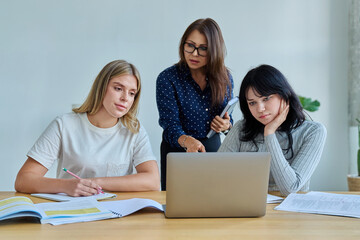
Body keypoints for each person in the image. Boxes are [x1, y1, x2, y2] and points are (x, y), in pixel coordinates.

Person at [15, 60, 160, 196]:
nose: (125, 98)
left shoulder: (134, 131)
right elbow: (24, 180)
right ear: (101, 88)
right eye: (118, 88)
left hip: (116, 214)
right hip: (71, 211)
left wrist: (95, 183)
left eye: (132, 93)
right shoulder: (64, 125)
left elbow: (153, 181)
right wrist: (66, 186)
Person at [218, 64, 327, 196]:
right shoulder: (241, 128)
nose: (260, 109)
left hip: (291, 213)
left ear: (284, 95)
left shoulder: (313, 132)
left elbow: (290, 189)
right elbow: (217, 174)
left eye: (266, 98)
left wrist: (269, 134)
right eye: (252, 103)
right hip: (247, 207)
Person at [156, 18, 234, 190]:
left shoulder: (225, 78)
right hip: (178, 150)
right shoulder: (167, 78)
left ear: (215, 50)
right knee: (178, 207)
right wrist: (187, 141)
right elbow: (169, 125)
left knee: (214, 202)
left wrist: (226, 125)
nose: (194, 53)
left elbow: (229, 120)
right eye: (190, 45)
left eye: (203, 48)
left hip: (212, 149)